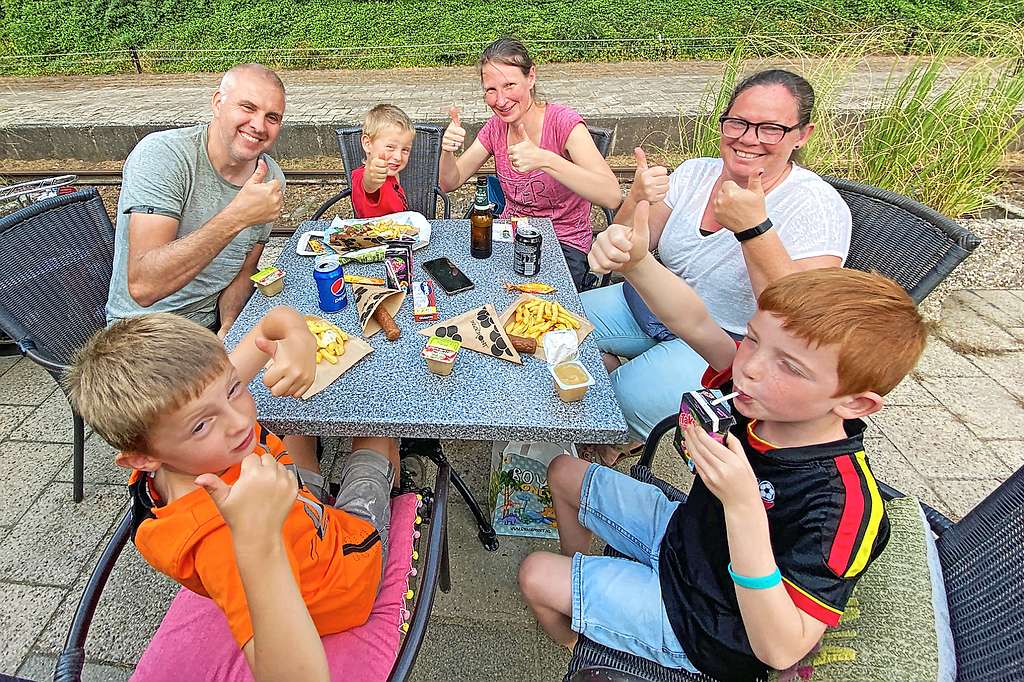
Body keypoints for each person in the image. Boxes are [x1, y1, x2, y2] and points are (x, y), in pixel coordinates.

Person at [518, 202, 927, 680]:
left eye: (790, 366)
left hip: (708, 625)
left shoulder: (842, 505)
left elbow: (780, 649)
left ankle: (585, 639)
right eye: (754, 339)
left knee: (534, 575)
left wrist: (743, 505)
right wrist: (638, 264)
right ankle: (591, 589)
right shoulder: (757, 398)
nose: (751, 366)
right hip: (683, 538)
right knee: (563, 472)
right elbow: (695, 324)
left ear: (855, 404)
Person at [65, 307, 400, 677]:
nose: (240, 420)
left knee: (299, 423)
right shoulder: (219, 540)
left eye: (234, 389)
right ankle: (392, 463)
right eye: (202, 425)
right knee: (378, 426)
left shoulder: (184, 423)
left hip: (297, 517)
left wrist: (299, 338)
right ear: (142, 459)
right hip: (343, 576)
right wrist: (259, 541)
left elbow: (271, 323)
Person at [581, 69, 853, 454]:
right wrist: (635, 200)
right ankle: (616, 369)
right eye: (738, 122)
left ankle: (611, 446)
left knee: (605, 404)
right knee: (544, 330)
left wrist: (754, 229)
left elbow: (804, 320)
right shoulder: (695, 172)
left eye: (770, 128)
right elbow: (633, 242)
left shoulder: (815, 206)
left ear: (801, 136)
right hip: (645, 306)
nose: (748, 139)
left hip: (723, 344)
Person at [106, 63, 287, 337]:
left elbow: (242, 274)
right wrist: (238, 217)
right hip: (143, 332)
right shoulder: (163, 155)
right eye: (247, 108)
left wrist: (230, 327)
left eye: (272, 117)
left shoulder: (270, 177)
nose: (259, 125)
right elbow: (144, 286)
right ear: (218, 103)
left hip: (211, 327)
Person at [438, 37, 621, 290]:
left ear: (531, 77)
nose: (500, 100)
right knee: (468, 288)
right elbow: (449, 182)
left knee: (535, 314)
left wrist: (545, 159)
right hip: (511, 236)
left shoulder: (563, 123)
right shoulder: (495, 128)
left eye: (509, 85)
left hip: (563, 243)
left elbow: (611, 195)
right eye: (491, 90)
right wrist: (448, 151)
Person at [351, 104, 416, 218]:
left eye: (405, 150)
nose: (398, 157)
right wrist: (371, 178)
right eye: (390, 147)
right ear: (367, 144)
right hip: (373, 235)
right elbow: (370, 185)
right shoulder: (363, 176)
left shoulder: (392, 174)